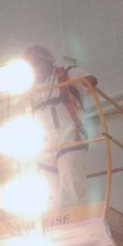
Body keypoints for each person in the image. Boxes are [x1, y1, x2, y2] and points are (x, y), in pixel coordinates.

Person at [24, 45, 92, 209]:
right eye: (31, 65)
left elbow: (87, 81)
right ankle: (52, 222)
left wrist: (88, 81)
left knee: (69, 180)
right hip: (44, 147)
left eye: (37, 62)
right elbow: (9, 108)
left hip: (69, 139)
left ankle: (69, 219)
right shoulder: (30, 89)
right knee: (47, 191)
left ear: (48, 61)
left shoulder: (65, 75)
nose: (35, 68)